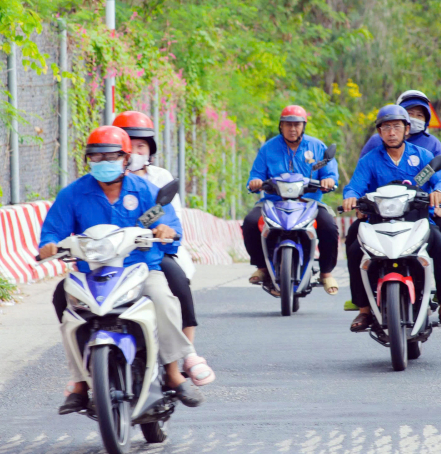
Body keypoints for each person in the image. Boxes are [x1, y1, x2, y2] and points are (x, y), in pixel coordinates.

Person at [39, 125, 215, 415]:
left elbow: (169, 224)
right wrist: (49, 245)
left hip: (139, 269)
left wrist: (164, 229)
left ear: (125, 158)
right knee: (65, 302)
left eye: (111, 157)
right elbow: (52, 233)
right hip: (91, 273)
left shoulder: (146, 190)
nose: (103, 163)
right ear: (88, 161)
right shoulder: (74, 194)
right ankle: (80, 383)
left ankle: (172, 371)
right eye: (96, 158)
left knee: (162, 298)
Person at [342, 105, 441, 330]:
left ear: (406, 129)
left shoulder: (423, 156)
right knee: (354, 250)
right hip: (378, 221)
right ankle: (363, 310)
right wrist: (351, 197)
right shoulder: (369, 160)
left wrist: (439, 192)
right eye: (386, 127)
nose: (392, 132)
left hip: (418, 220)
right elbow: (355, 186)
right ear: (379, 132)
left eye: (397, 127)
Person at [112, 111, 199, 345]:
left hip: (155, 249)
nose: (135, 152)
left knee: (178, 281)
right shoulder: (105, 180)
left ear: (150, 150)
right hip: (114, 252)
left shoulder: (160, 178)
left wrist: (155, 228)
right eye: (129, 145)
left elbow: (171, 217)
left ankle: (187, 351)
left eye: (141, 146)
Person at [243, 105, 340, 295]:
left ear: (303, 126)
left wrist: (329, 180)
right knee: (250, 222)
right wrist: (255, 182)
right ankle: (262, 267)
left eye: (297, 124)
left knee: (329, 225)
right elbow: (255, 175)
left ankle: (326, 273)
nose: (292, 129)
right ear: (281, 126)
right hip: (272, 202)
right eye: (288, 124)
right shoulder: (268, 148)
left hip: (309, 203)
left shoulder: (317, 146)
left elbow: (329, 172)